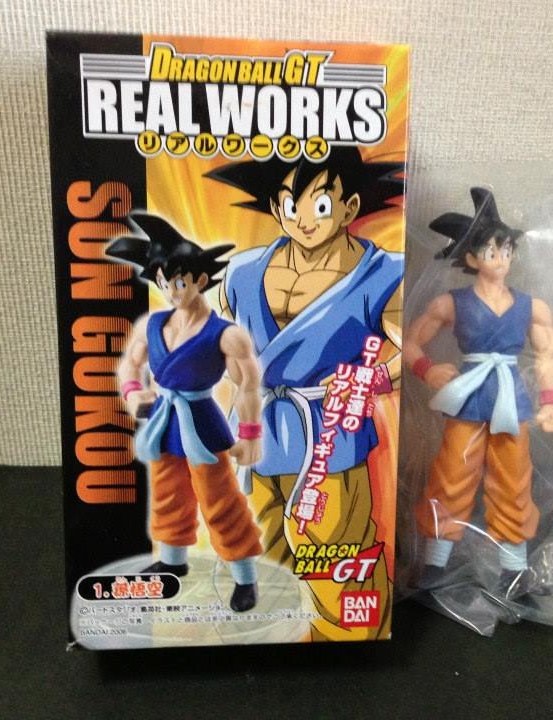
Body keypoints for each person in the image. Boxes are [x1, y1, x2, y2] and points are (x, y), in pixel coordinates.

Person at [204, 148, 403, 639]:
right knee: (261, 559)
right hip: (256, 435)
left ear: (349, 207)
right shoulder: (243, 272)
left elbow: (409, 351)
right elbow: (219, 334)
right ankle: (271, 646)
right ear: (277, 208)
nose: (304, 219)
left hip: (328, 435)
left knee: (337, 560)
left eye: (321, 204)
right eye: (292, 205)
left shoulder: (383, 273)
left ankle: (348, 650)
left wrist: (373, 378)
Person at [404, 188, 553, 597]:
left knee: (513, 482)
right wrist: (426, 369)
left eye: (506, 250)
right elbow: (409, 342)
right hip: (468, 400)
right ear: (472, 260)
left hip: (511, 400)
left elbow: (547, 356)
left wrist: (551, 403)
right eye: (492, 251)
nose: (501, 259)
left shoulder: (532, 307)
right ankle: (435, 562)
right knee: (452, 476)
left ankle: (514, 569)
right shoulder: (451, 302)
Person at [107, 211, 264, 612]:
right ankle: (172, 561)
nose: (171, 291)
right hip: (162, 420)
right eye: (163, 282)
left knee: (219, 500)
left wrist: (249, 434)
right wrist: (133, 393)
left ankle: (245, 577)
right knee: (166, 493)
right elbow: (129, 365)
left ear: (199, 279)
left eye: (179, 282)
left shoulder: (225, 334)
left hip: (202, 424)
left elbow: (247, 384)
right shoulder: (152, 324)